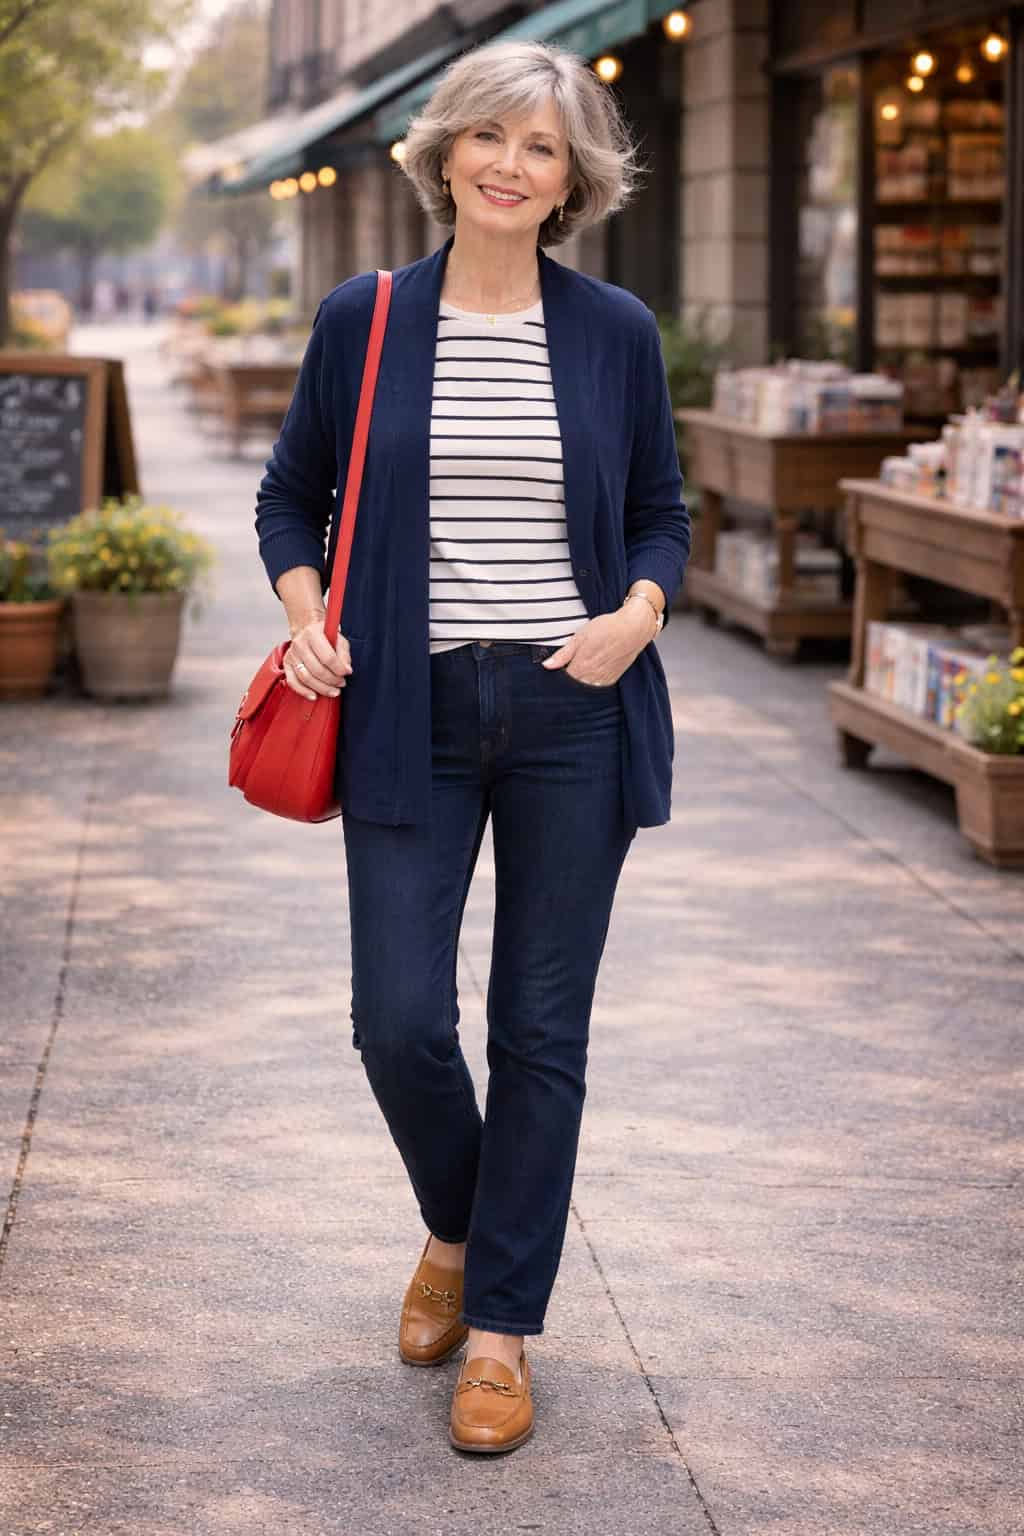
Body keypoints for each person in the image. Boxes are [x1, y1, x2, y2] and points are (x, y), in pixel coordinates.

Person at [254, 38, 689, 1455]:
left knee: (540, 1034)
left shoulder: (616, 330)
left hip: (575, 705)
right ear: (445, 155)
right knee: (399, 1020)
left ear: (573, 180)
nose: (512, 165)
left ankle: (500, 1329)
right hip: (407, 711)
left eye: (543, 147)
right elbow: (288, 499)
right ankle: (459, 1222)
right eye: (490, 138)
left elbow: (661, 518)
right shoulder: (366, 317)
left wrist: (638, 611)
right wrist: (309, 615)